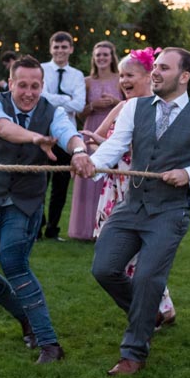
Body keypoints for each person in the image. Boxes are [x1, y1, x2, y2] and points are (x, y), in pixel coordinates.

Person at [75, 48, 190, 376]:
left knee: (148, 279)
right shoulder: (134, 108)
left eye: (164, 68)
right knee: (104, 269)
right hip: (130, 206)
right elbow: (116, 145)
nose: (156, 73)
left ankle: (133, 353)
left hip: (169, 212)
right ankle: (149, 314)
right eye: (156, 67)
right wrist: (95, 164)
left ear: (184, 76)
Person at [0, 55, 89, 363]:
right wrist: (36, 138)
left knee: (13, 262)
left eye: (35, 86)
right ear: (10, 83)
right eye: (22, 85)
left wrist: (80, 151)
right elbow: (4, 129)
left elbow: (68, 133)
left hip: (24, 202)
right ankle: (26, 318)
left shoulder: (53, 111)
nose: (29, 92)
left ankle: (50, 345)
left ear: (42, 85)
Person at [86, 47, 177, 326]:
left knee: (139, 256)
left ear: (150, 76)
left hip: (141, 190)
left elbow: (159, 152)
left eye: (130, 75)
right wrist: (93, 146)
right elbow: (95, 138)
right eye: (122, 75)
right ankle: (160, 310)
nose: (123, 81)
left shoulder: (161, 110)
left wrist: (114, 147)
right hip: (114, 188)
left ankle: (151, 313)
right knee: (116, 253)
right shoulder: (122, 106)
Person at [68, 41, 121, 240]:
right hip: (92, 128)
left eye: (105, 55)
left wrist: (115, 103)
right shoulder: (87, 81)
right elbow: (79, 112)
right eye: (98, 55)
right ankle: (83, 229)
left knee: (107, 176)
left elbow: (129, 104)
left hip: (113, 131)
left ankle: (107, 226)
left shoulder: (119, 78)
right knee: (88, 175)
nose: (101, 58)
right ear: (93, 57)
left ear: (112, 57)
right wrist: (94, 104)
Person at [40, 31, 85, 240]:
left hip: (67, 136)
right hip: (43, 133)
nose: (60, 51)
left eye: (64, 47)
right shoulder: (41, 70)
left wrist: (53, 98)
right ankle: (36, 227)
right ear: (51, 49)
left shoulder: (76, 75)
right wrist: (65, 98)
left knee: (60, 186)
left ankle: (52, 229)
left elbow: (79, 104)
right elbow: (41, 99)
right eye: (56, 47)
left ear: (70, 49)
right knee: (39, 183)